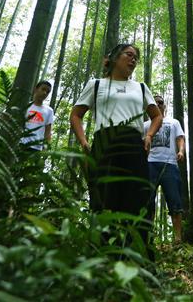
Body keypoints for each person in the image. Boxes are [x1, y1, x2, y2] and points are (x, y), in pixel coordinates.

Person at [70, 43, 162, 256]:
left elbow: (156, 116)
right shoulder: (96, 85)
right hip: (105, 143)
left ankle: (139, 254)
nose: (133, 60)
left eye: (136, 58)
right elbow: (76, 115)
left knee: (139, 197)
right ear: (112, 58)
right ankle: (104, 254)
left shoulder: (140, 87)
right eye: (129, 55)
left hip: (133, 144)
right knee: (104, 197)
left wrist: (148, 136)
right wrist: (84, 142)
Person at [143, 94, 185, 243]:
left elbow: (180, 138)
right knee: (148, 202)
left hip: (170, 164)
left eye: (160, 102)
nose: (158, 105)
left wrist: (181, 151)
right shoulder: (145, 125)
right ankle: (148, 239)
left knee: (175, 201)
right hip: (150, 164)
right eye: (154, 103)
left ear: (164, 105)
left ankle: (178, 238)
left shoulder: (173, 122)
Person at [20, 80, 55, 151]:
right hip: (22, 143)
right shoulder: (25, 106)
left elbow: (48, 131)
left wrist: (46, 146)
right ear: (36, 89)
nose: (45, 93)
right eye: (43, 89)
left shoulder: (49, 111)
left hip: (37, 147)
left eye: (47, 92)